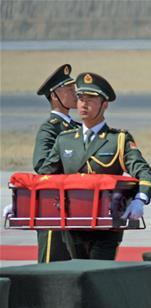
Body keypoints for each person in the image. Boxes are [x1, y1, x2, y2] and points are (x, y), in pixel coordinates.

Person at [37, 72, 151, 260]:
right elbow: (45, 176)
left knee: (99, 274)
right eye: (80, 98)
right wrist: (23, 200)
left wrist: (140, 200)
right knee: (77, 274)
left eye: (91, 99)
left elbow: (145, 173)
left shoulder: (118, 140)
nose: (83, 104)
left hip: (106, 227)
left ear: (104, 104)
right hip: (73, 224)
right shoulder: (65, 140)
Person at [33, 64, 79, 262]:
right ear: (54, 96)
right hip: (54, 206)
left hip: (75, 205)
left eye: (74, 89)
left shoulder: (76, 127)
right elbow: (41, 164)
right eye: (69, 90)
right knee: (52, 263)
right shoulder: (50, 129)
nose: (75, 94)